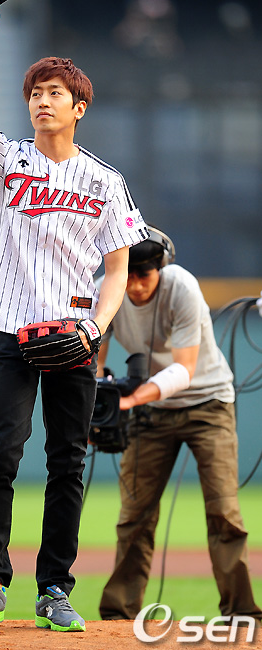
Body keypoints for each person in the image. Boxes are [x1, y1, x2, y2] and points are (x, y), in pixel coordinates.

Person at [0, 0, 147, 632]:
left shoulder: (104, 181)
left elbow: (117, 269)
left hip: (74, 337)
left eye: (55, 93)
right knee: (1, 455)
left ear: (78, 107)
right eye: (36, 92)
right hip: (12, 332)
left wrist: (95, 329)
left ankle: (54, 589)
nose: (42, 100)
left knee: (68, 462)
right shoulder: (8, 161)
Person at [97, 225, 262, 623]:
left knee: (224, 512)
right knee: (134, 515)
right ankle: (118, 616)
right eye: (128, 274)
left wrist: (129, 399)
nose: (135, 285)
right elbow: (93, 361)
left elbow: (184, 370)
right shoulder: (108, 289)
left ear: (161, 269)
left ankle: (241, 613)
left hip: (208, 405)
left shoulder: (181, 287)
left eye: (144, 275)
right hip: (152, 413)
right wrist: (95, 405)